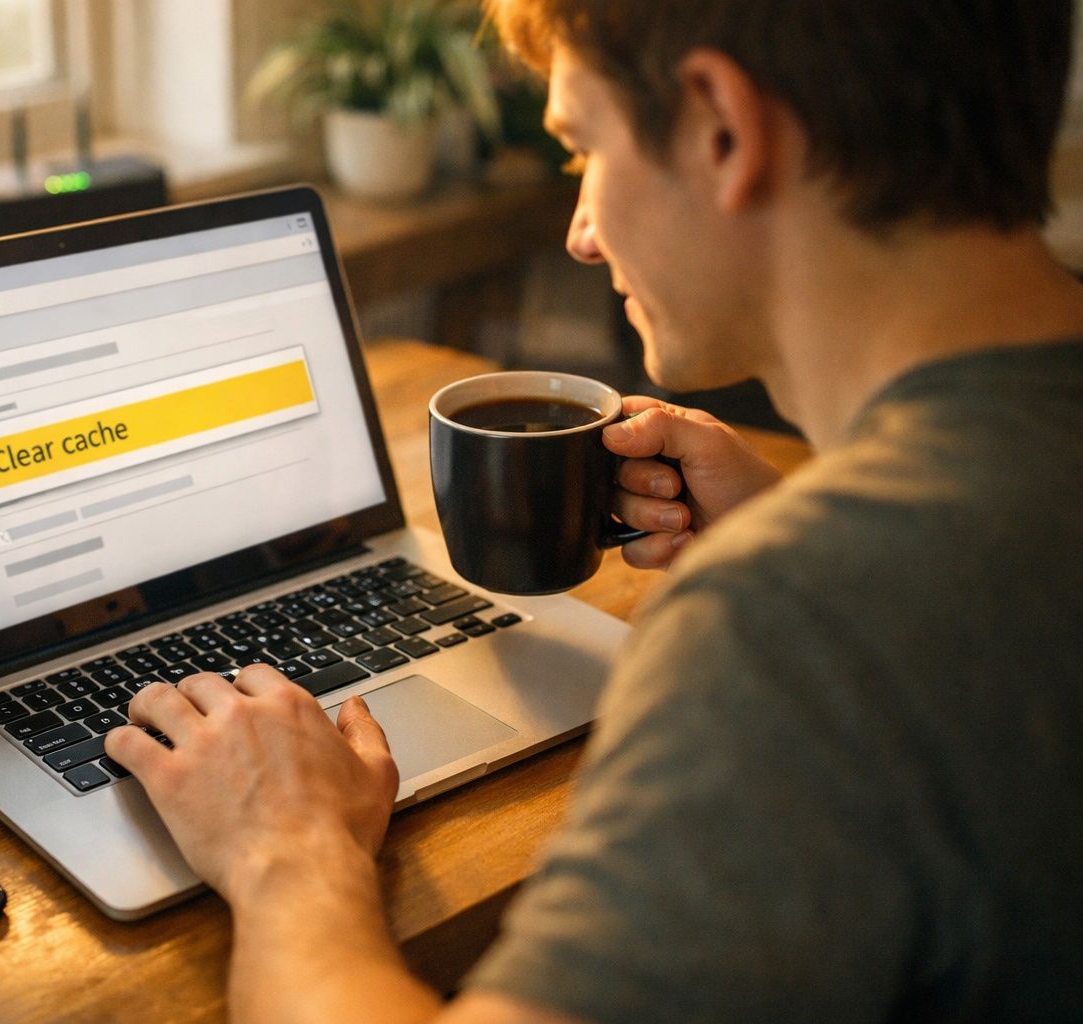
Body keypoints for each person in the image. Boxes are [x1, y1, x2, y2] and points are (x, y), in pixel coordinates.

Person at [104, 0, 1083, 1018]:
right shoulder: (889, 577)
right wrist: (811, 539)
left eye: (581, 150)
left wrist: (286, 852)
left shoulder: (799, 621)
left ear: (721, 129)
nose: (580, 233)